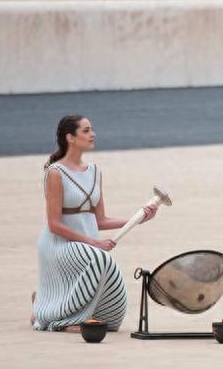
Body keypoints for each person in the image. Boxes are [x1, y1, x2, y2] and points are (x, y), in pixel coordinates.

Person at [32, 115, 158, 332]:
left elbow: (100, 220)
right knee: (100, 259)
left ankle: (45, 302)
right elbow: (54, 224)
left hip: (87, 248)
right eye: (86, 130)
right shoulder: (55, 173)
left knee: (113, 317)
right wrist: (94, 243)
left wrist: (136, 219)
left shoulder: (95, 172)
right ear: (70, 137)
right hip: (58, 245)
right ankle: (55, 317)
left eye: (92, 130)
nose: (93, 134)